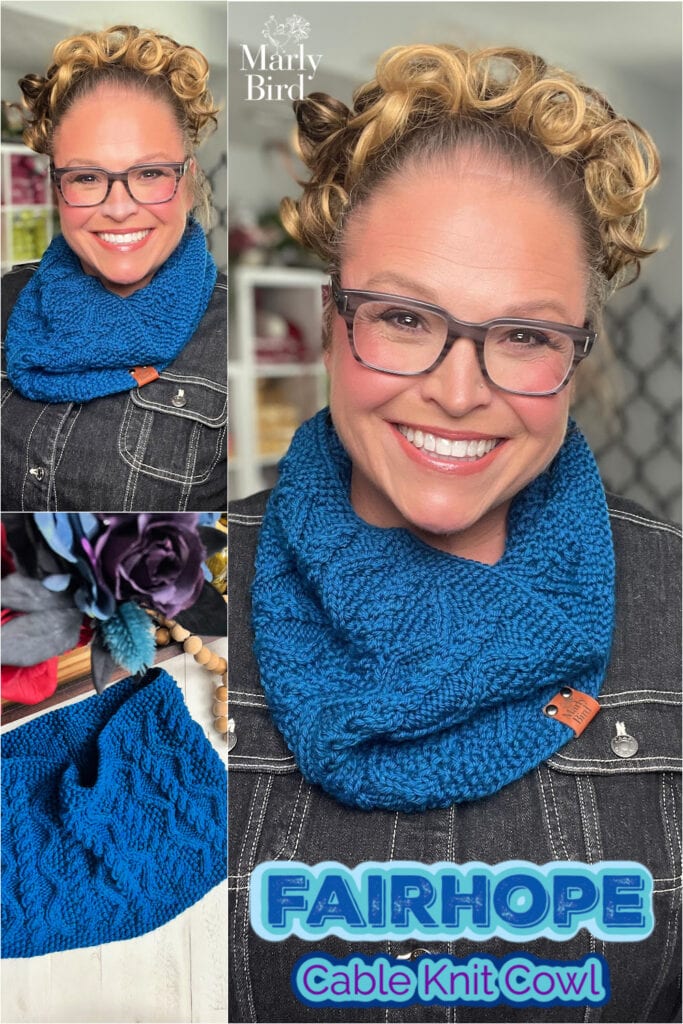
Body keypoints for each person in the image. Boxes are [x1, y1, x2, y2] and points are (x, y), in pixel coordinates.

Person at [228, 44, 681, 1023]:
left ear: (575, 357)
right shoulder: (186, 580)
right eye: (401, 316)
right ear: (328, 318)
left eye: (522, 334)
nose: (458, 391)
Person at [1, 25, 227, 511]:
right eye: (87, 177)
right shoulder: (5, 298)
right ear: (57, 187)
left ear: (187, 181)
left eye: (149, 174)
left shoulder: (230, 335)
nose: (119, 208)